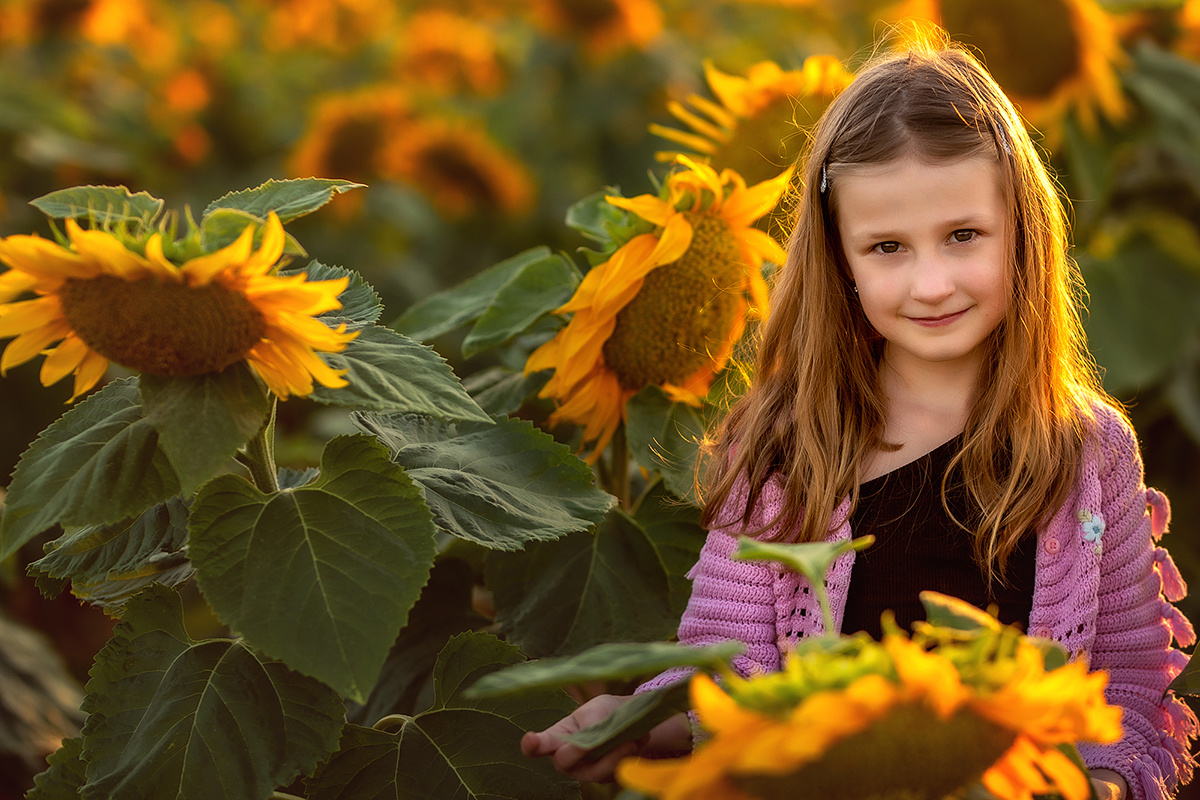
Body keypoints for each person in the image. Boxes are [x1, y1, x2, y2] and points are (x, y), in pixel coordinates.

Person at [522, 29, 1196, 800]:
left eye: (964, 236)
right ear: (839, 260)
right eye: (887, 248)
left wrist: (1098, 784)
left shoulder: (1087, 453)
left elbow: (1129, 695)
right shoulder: (786, 445)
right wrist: (639, 720)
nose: (932, 283)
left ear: (1024, 235)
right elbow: (726, 668)